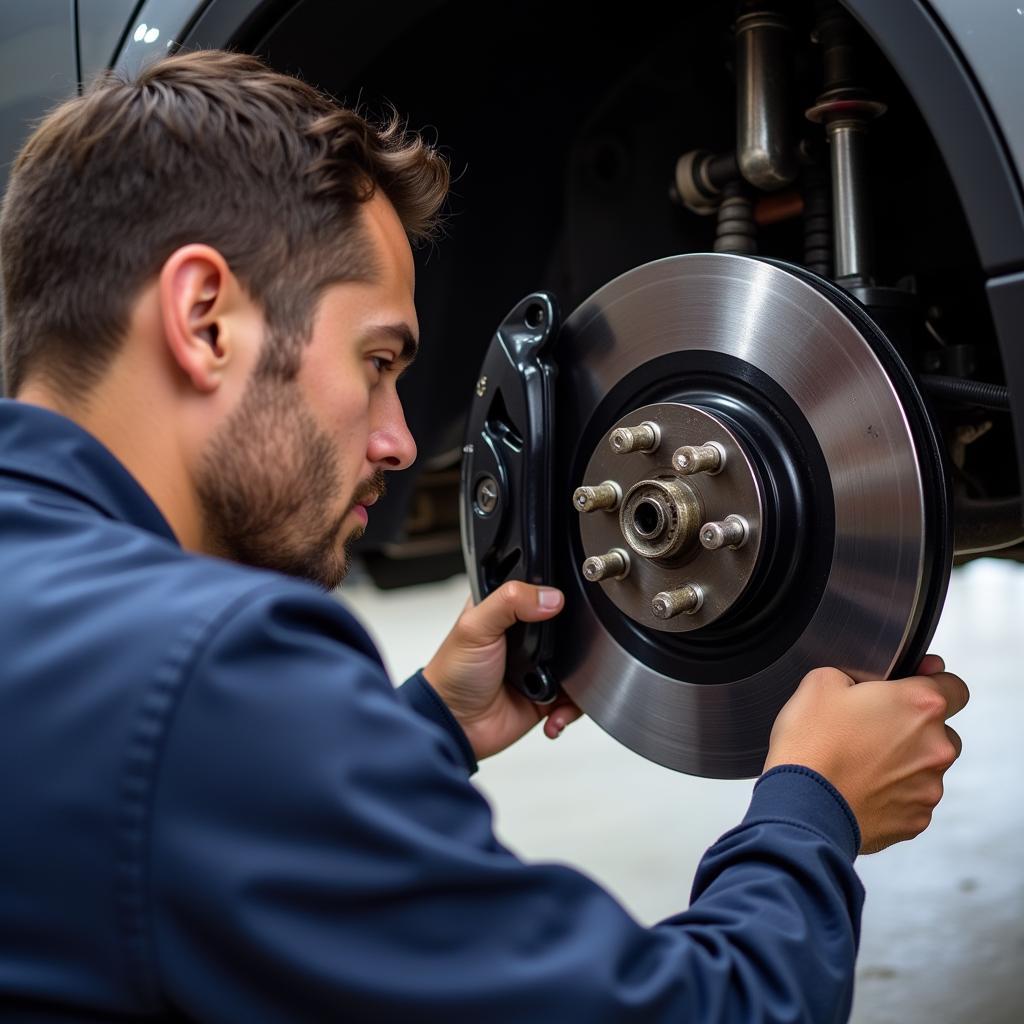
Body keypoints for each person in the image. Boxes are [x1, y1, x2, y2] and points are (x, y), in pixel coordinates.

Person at [0, 50, 968, 1023]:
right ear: (204, 320)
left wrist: (409, 731)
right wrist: (815, 806)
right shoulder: (214, 674)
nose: (401, 439)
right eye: (377, 360)